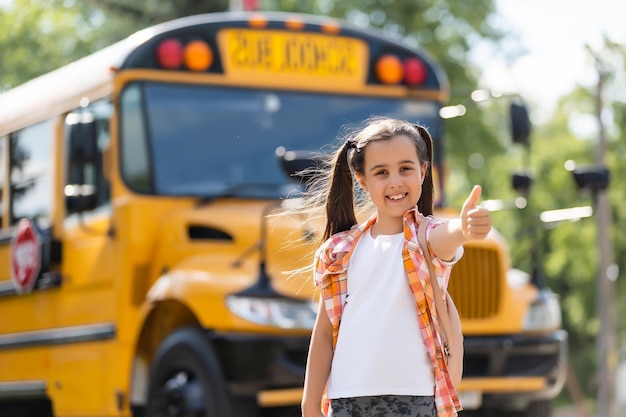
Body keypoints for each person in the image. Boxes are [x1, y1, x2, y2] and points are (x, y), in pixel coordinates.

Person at [299, 117, 492, 417]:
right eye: (381, 172)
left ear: (424, 171)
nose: (395, 182)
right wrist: (310, 405)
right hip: (347, 401)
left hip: (415, 399)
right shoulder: (340, 251)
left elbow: (449, 236)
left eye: (405, 169)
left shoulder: (427, 237)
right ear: (362, 180)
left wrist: (465, 229)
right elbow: (324, 333)